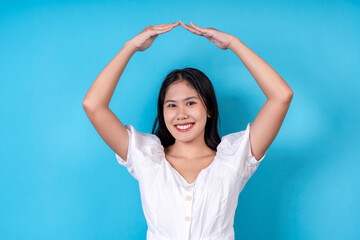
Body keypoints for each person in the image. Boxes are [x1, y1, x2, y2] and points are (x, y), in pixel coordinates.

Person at [82, 21, 293, 240]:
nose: (181, 114)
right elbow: (93, 105)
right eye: (171, 105)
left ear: (209, 109)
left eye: (190, 103)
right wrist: (130, 47)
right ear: (163, 112)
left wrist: (234, 44)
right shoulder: (145, 156)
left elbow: (281, 96)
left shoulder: (234, 156)